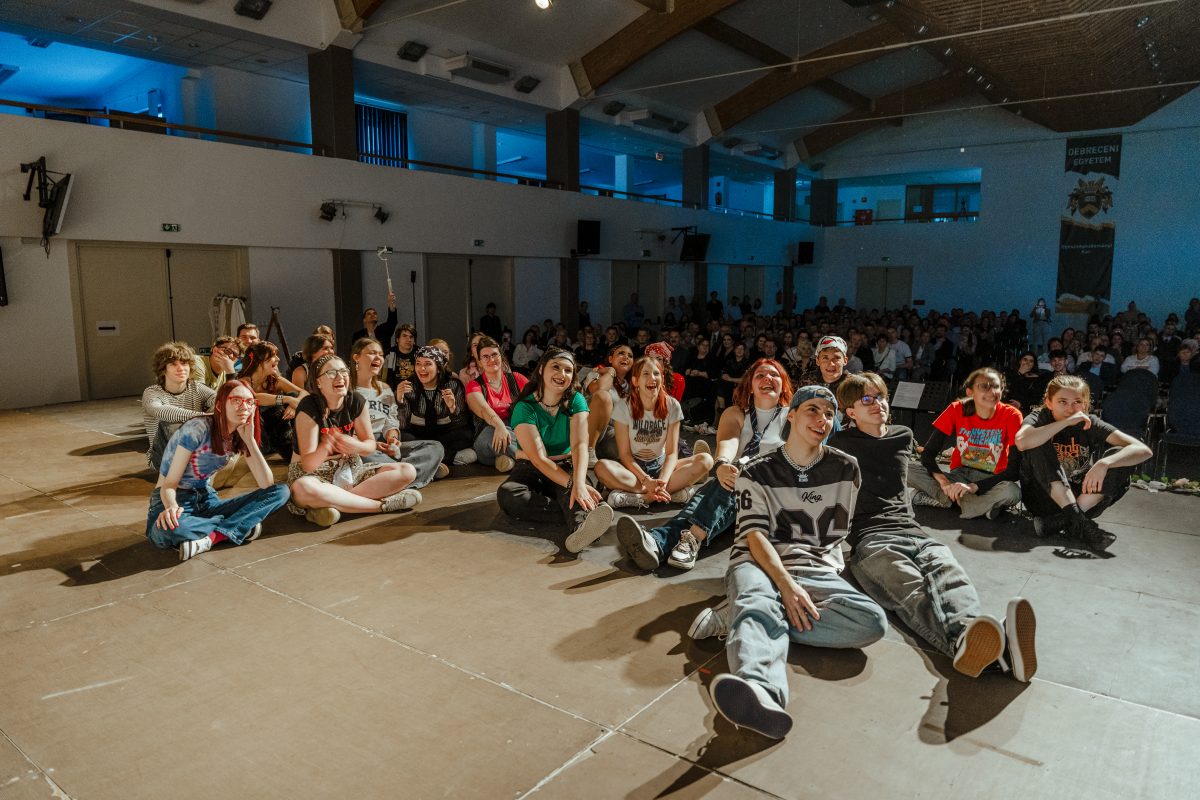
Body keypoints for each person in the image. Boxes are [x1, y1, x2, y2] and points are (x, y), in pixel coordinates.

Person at [693, 385, 885, 740]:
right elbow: (753, 536)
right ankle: (762, 691)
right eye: (812, 409)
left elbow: (836, 534)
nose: (822, 419)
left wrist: (805, 580)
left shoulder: (846, 468)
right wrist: (786, 585)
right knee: (758, 598)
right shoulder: (757, 470)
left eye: (829, 414)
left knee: (871, 622)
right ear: (791, 415)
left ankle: (746, 618)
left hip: (813, 565)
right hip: (758, 560)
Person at [829, 373, 1037, 682]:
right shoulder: (839, 445)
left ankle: (980, 644)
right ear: (850, 412)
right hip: (872, 539)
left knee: (950, 575)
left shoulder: (903, 435)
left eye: (881, 397)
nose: (877, 404)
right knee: (911, 589)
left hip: (915, 531)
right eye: (866, 400)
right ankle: (991, 647)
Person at [616, 359, 792, 572]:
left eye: (774, 375)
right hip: (734, 489)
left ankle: (691, 538)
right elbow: (729, 441)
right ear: (750, 386)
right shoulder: (736, 413)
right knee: (716, 488)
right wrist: (722, 463)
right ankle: (656, 545)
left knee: (740, 477)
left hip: (775, 495)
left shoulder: (793, 417)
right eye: (760, 375)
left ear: (783, 384)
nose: (767, 378)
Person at [147, 379, 290, 561]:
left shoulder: (240, 434)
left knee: (281, 491)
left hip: (207, 500)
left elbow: (267, 485)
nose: (244, 407)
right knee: (171, 529)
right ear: (220, 405)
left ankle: (212, 538)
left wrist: (250, 440)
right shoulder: (197, 428)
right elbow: (169, 484)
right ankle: (240, 525)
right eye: (236, 400)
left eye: (249, 402)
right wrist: (171, 507)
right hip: (174, 498)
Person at [496, 347, 615, 553]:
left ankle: (580, 528)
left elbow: (579, 445)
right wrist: (574, 485)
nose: (562, 374)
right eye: (556, 367)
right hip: (532, 466)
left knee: (575, 489)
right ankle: (585, 514)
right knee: (509, 495)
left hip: (567, 463)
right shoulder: (525, 407)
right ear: (542, 369)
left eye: (568, 370)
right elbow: (539, 459)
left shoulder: (576, 400)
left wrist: (578, 482)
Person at [1015, 374, 1152, 552]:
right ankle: (1077, 519)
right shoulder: (1039, 417)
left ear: (1085, 404)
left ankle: (1063, 521)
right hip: (1042, 497)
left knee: (1122, 456)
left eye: (1077, 402)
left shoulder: (1090, 422)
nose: (1070, 408)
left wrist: (1105, 463)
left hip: (1082, 499)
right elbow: (1022, 442)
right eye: (1062, 402)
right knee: (1036, 441)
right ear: (1049, 403)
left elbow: (1143, 450)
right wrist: (1066, 423)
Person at [286, 353, 422, 527]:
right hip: (313, 475)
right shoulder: (308, 407)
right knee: (302, 488)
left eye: (344, 371)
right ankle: (380, 506)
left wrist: (355, 445)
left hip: (350, 471)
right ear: (318, 382)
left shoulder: (355, 400)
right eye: (331, 373)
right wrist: (326, 447)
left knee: (407, 470)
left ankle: (332, 504)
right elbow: (308, 465)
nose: (340, 376)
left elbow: (369, 445)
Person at [595, 357, 712, 509]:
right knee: (601, 467)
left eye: (656, 374)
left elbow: (671, 453)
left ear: (662, 378)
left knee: (706, 460)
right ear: (635, 381)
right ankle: (671, 494)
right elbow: (624, 454)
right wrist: (646, 480)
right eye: (646, 374)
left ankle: (643, 498)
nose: (652, 378)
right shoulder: (623, 406)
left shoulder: (672, 405)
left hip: (661, 465)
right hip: (634, 469)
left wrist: (662, 481)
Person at [907, 368, 1023, 520]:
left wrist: (972, 487)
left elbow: (1014, 470)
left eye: (996, 387)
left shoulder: (1012, 415)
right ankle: (979, 506)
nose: (992, 392)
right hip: (958, 476)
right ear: (970, 392)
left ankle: (947, 500)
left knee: (1013, 492)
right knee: (905, 468)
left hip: (991, 481)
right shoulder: (956, 409)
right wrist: (945, 483)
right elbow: (928, 454)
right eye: (984, 387)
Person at [351, 337, 446, 488]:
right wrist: (372, 445)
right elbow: (344, 430)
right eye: (372, 353)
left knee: (435, 447)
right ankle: (420, 472)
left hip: (385, 444)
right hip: (363, 446)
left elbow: (391, 421)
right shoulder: (347, 390)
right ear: (356, 357)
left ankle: (397, 477)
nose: (378, 358)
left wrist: (392, 438)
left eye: (381, 355)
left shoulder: (384, 389)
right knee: (361, 454)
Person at [397, 345, 476, 468]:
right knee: (402, 437)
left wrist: (453, 408)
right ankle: (448, 459)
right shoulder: (408, 386)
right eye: (418, 363)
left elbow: (462, 424)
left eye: (428, 364)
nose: (422, 368)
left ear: (438, 368)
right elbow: (402, 426)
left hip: (445, 434)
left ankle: (425, 459)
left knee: (466, 435)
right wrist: (400, 401)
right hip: (418, 435)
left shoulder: (453, 385)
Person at [142, 341, 216, 470]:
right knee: (170, 422)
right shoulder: (152, 392)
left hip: (194, 451)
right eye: (173, 364)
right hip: (163, 457)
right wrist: (202, 416)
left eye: (184, 363)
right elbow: (159, 410)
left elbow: (221, 400)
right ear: (163, 369)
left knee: (222, 407)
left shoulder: (197, 388)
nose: (181, 368)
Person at [465, 335, 529, 473]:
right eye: (485, 357)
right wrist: (500, 426)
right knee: (491, 432)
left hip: (517, 431)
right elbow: (483, 409)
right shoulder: (474, 386)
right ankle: (533, 458)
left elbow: (536, 402)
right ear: (479, 362)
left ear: (501, 356)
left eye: (494, 355)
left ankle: (508, 460)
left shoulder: (517, 379)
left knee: (522, 430)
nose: (491, 360)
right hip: (487, 439)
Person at [237, 341, 305, 462]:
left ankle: (300, 446)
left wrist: (293, 405)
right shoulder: (242, 383)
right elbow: (254, 398)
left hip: (278, 436)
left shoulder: (274, 380)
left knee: (294, 395)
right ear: (259, 361)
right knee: (266, 407)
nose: (278, 359)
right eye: (273, 356)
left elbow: (304, 393)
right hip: (259, 442)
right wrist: (287, 399)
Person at [583, 343, 635, 460]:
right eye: (621, 353)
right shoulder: (596, 374)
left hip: (611, 436)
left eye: (630, 356)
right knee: (603, 396)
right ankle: (587, 451)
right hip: (587, 430)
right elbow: (599, 389)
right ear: (611, 359)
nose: (626, 357)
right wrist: (610, 371)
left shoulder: (632, 387)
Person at [681, 337, 717, 430]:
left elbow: (713, 374)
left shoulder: (711, 358)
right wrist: (688, 371)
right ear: (698, 346)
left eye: (707, 345)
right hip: (691, 382)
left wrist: (699, 373)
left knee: (697, 388)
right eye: (703, 345)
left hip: (704, 383)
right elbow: (684, 369)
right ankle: (687, 417)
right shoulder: (692, 357)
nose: (705, 347)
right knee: (686, 387)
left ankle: (699, 420)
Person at [385, 324, 419, 393]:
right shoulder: (390, 354)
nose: (408, 340)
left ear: (414, 341)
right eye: (404, 336)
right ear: (397, 339)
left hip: (417, 392)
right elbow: (387, 377)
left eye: (411, 337)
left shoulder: (420, 353)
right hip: (395, 392)